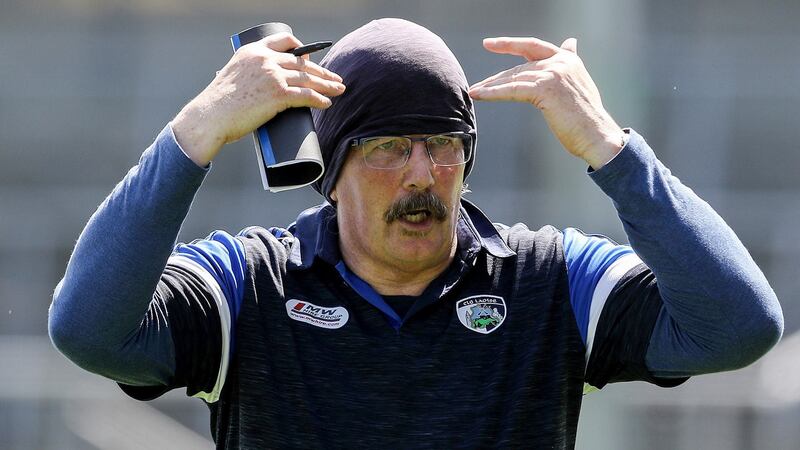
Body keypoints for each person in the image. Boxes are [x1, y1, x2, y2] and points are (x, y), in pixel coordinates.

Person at [48, 18, 783, 449]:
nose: (422, 175)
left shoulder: (548, 278)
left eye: (443, 145)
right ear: (332, 172)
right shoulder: (251, 282)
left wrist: (607, 147)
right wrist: (197, 131)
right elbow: (89, 331)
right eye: (387, 148)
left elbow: (739, 328)